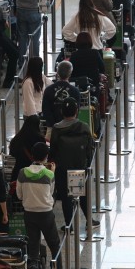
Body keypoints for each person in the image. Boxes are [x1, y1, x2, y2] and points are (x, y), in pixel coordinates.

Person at [16, 142, 61, 269]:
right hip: (46, 214)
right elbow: (51, 192)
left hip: (29, 214)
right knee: (54, 245)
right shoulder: (49, 174)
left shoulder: (22, 173)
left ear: (32, 155)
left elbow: (19, 195)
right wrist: (53, 172)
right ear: (46, 157)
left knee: (33, 248)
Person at [50, 97, 95, 227]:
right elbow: (89, 149)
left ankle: (69, 225)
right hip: (79, 166)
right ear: (76, 111)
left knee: (66, 197)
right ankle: (89, 221)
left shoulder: (57, 128)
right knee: (82, 194)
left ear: (62, 112)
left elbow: (53, 149)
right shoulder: (84, 127)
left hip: (63, 168)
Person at [41, 60, 79, 130]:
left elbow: (45, 110)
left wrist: (53, 125)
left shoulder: (48, 90)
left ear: (57, 73)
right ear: (70, 74)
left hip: (52, 127)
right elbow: (76, 111)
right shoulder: (75, 91)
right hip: (70, 127)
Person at [9, 113, 46, 182]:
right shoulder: (40, 139)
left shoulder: (18, 137)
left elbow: (12, 153)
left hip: (18, 172)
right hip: (35, 173)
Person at [21, 56, 45, 125]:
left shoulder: (40, 78)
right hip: (31, 116)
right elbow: (29, 102)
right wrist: (34, 118)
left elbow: (50, 83)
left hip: (39, 113)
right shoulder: (28, 82)